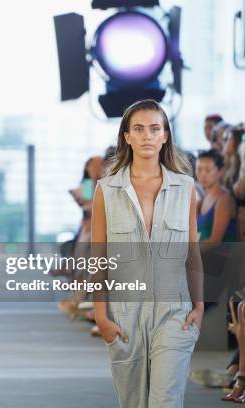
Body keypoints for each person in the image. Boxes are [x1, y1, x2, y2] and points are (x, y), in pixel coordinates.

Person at [92, 99, 204, 408]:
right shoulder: (107, 189)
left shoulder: (185, 187)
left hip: (175, 314)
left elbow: (192, 255)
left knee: (165, 402)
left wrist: (199, 307)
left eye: (155, 129)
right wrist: (101, 317)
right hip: (124, 317)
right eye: (138, 129)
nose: (147, 136)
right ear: (126, 136)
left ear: (166, 135)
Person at [196, 149, 238, 243]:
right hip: (202, 254)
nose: (202, 175)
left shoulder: (224, 199)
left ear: (220, 172)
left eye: (208, 170)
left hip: (220, 256)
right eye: (199, 169)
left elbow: (215, 241)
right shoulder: (203, 198)